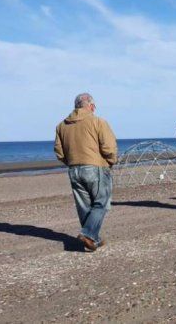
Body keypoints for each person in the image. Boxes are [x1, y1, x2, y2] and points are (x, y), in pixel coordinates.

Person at [54, 93, 118, 251]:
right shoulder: (98, 122)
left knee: (84, 206)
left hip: (74, 169)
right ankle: (88, 234)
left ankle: (92, 239)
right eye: (93, 106)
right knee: (101, 203)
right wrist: (111, 161)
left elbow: (59, 152)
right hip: (95, 167)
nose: (94, 109)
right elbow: (109, 147)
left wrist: (71, 163)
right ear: (90, 106)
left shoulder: (62, 126)